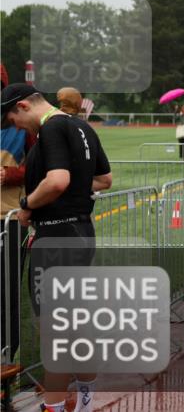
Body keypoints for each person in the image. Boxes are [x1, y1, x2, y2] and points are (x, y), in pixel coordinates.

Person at [2, 83, 112, 412]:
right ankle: (86, 399)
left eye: (11, 119)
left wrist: (26, 205)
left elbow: (58, 180)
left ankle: (53, 406)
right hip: (81, 231)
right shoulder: (81, 126)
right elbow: (104, 179)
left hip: (54, 236)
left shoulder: (52, 128)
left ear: (23, 106)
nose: (14, 127)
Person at [0, 65, 35, 364]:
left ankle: (6, 363)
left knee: (5, 296)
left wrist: (11, 175)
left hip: (9, 221)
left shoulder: (21, 126)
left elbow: (44, 171)